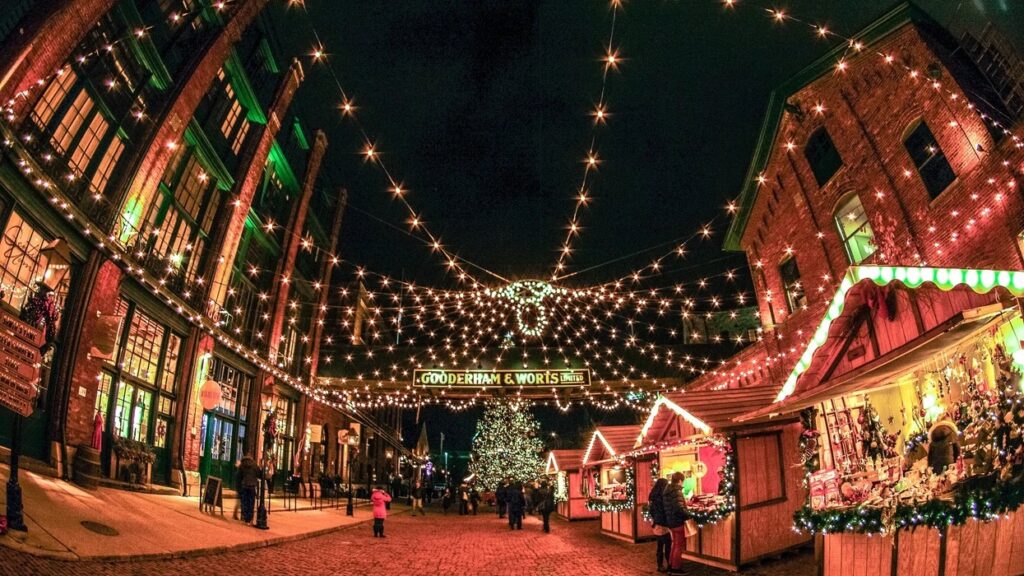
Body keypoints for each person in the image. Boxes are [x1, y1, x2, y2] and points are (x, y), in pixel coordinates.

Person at [662, 472, 691, 574]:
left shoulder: (668, 490)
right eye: (682, 481)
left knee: (674, 545)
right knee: (678, 546)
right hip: (677, 521)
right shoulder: (676, 491)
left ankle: (671, 565)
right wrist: (688, 514)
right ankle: (676, 568)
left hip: (671, 521)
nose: (683, 483)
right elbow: (679, 508)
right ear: (679, 481)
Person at [648, 478, 671, 573]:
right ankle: (669, 565)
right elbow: (663, 511)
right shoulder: (662, 497)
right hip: (663, 523)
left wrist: (653, 522)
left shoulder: (652, 496)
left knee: (660, 546)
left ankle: (660, 564)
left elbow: (651, 510)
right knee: (668, 545)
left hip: (656, 523)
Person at [235, 455, 260, 525]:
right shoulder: (255, 465)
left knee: (244, 502)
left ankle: (245, 518)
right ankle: (249, 519)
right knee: (251, 503)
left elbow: (238, 476)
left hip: (244, 485)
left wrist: (238, 488)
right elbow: (259, 474)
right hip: (252, 486)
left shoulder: (242, 465)